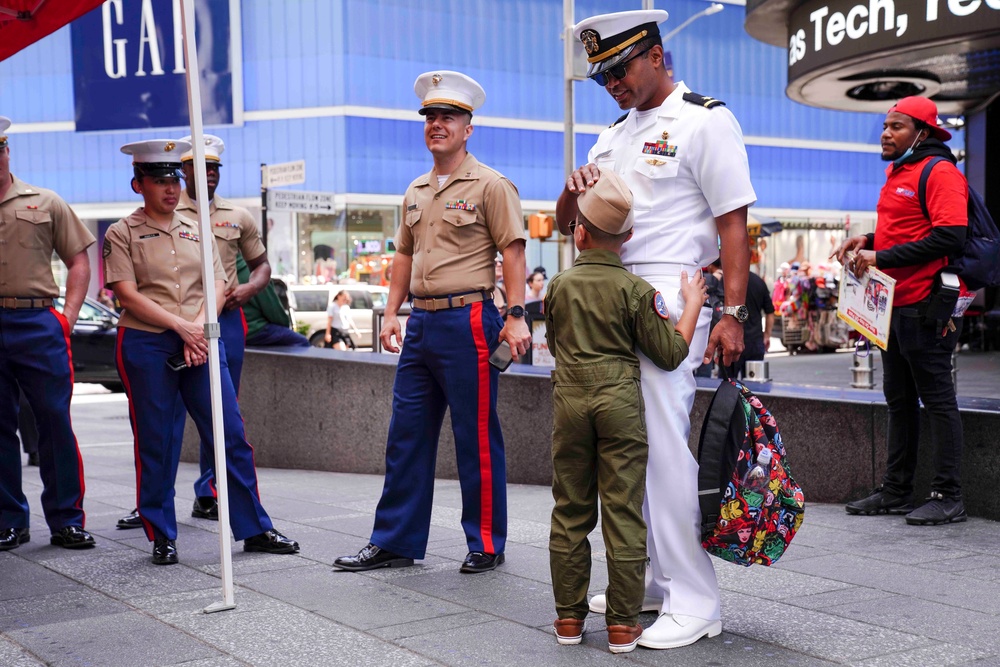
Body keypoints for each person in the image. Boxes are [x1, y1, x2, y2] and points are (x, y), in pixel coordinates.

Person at [556, 10, 757, 649]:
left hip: (672, 298)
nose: (612, 82)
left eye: (620, 67)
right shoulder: (611, 136)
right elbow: (569, 222)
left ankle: (695, 598)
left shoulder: (704, 120)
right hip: (610, 294)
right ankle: (643, 577)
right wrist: (573, 188)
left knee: (663, 446)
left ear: (657, 54)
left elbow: (733, 221)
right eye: (602, 75)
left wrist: (732, 312)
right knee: (623, 447)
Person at [334, 70, 531, 575]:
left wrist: (515, 315)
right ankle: (396, 540)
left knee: (476, 434)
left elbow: (512, 253)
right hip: (420, 324)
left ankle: (486, 541)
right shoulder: (416, 190)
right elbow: (402, 253)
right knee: (406, 435)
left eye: (448, 116)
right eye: (430, 116)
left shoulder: (491, 185)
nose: (437, 124)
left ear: (469, 128)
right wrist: (392, 311)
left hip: (469, 319)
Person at [104, 139, 298, 564]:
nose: (171, 189)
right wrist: (182, 328)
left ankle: (255, 528)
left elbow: (217, 282)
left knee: (230, 435)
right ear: (138, 184)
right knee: (157, 440)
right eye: (159, 181)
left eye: (174, 179)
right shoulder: (122, 233)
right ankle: (161, 533)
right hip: (147, 342)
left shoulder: (200, 228)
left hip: (200, 339)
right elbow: (126, 295)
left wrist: (197, 330)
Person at [545, 170, 706, 654]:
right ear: (629, 237)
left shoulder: (558, 285)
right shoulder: (637, 291)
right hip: (619, 406)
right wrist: (693, 305)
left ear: (580, 232)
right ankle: (621, 624)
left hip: (570, 403)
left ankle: (569, 620)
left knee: (570, 510)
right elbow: (671, 353)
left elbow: (554, 344)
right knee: (622, 512)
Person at [834, 96, 968, 526]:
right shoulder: (898, 172)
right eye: (885, 126)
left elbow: (951, 236)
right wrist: (867, 240)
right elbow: (906, 228)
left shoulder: (939, 171)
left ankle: (949, 495)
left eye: (897, 126)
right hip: (890, 308)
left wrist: (880, 257)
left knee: (939, 402)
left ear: (922, 133)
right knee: (899, 401)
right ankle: (896, 491)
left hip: (925, 307)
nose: (886, 133)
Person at [0, 116, 97, 553]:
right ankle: (9, 520)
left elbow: (78, 260)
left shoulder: (45, 200)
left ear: (6, 152)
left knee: (55, 421)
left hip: (38, 323)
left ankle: (66, 520)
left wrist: (68, 317)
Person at [237, 254, 309, 348]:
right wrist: (284, 323)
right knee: (302, 343)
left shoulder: (224, 267)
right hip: (254, 329)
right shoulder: (254, 270)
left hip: (234, 330)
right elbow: (273, 310)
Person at [723, 269, 774, 378]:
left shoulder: (728, 280)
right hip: (754, 340)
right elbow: (770, 312)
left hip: (732, 340)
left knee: (727, 384)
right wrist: (767, 335)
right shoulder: (759, 282)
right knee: (754, 383)